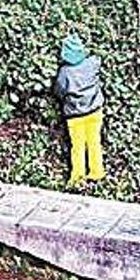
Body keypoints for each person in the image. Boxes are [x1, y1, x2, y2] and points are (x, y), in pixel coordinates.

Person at [53, 34, 106, 186]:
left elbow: (59, 91)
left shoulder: (64, 72)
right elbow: (98, 58)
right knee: (94, 142)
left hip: (75, 115)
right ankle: (97, 172)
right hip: (95, 111)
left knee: (78, 146)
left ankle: (77, 178)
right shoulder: (92, 63)